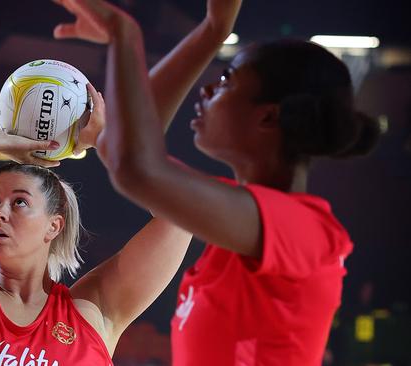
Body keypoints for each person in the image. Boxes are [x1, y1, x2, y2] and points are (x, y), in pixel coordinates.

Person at [52, 0, 381, 365]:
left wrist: (123, 35)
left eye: (226, 80)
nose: (207, 90)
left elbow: (135, 164)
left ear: (268, 116)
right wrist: (211, 31)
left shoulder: (301, 228)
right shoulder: (240, 226)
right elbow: (131, 150)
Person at [0, 81, 196, 364]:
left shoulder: (91, 313)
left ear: (54, 225)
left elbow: (183, 209)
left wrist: (106, 142)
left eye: (20, 202)